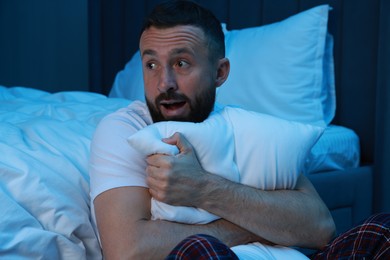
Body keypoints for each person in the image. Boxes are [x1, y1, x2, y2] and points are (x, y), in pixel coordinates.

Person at [89, 0, 390, 259]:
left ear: (220, 73)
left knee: (381, 230)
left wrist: (203, 188)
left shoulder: (245, 125)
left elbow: (320, 227)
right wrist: (266, 224)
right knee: (199, 249)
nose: (164, 83)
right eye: (151, 65)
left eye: (181, 63)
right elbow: (127, 251)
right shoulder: (124, 129)